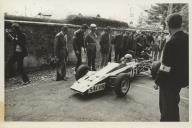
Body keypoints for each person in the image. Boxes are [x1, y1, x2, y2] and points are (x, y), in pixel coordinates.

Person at [154, 13, 188, 121]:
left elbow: (165, 67)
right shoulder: (187, 38)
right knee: (173, 106)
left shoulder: (171, 42)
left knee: (166, 110)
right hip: (180, 80)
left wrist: (157, 81)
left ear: (169, 25)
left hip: (168, 82)